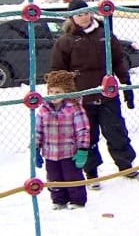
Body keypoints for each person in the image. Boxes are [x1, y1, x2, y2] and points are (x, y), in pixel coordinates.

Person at [50, 0, 139, 189]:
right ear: (71, 18)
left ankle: (126, 166)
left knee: (116, 131)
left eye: (85, 13)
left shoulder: (105, 34)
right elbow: (58, 72)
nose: (83, 17)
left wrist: (126, 84)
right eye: (78, 15)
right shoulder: (65, 42)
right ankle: (91, 173)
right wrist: (60, 99)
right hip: (82, 97)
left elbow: (118, 60)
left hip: (107, 94)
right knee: (87, 136)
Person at [35, 70, 90, 210]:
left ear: (67, 91)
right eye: (51, 91)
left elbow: (82, 129)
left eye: (58, 92)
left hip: (69, 152)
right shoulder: (44, 110)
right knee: (53, 179)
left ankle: (77, 200)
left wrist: (83, 149)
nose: (53, 96)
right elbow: (37, 130)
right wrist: (35, 148)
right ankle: (59, 200)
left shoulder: (74, 109)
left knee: (72, 177)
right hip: (50, 153)